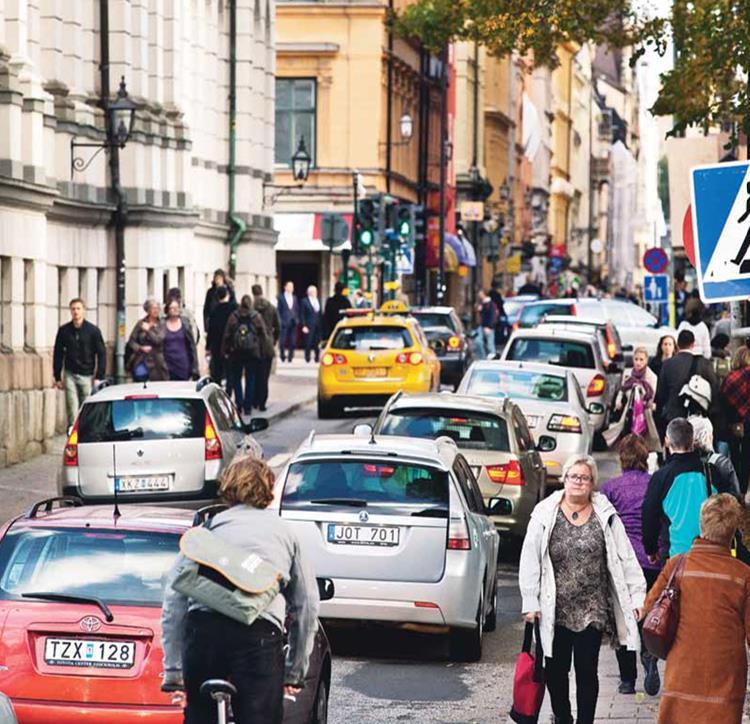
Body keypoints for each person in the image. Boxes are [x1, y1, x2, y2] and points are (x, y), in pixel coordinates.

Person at [160, 456, 319, 724]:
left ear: (228, 487)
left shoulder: (206, 531)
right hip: (258, 639)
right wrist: (295, 671)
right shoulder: (285, 534)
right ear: (267, 491)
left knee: (200, 716)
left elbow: (174, 600)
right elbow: (307, 606)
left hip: (204, 637)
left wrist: (174, 673)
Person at [519, 455, 646, 724]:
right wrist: (531, 601)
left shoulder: (606, 515)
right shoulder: (544, 514)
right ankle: (563, 717)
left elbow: (626, 558)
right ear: (564, 479)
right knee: (555, 670)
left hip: (592, 605)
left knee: (587, 669)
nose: (578, 482)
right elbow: (529, 558)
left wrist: (637, 596)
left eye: (584, 478)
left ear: (592, 484)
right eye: (574, 476)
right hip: (556, 605)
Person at [644, 494, 750, 724]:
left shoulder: (678, 565)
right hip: (726, 676)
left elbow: (648, 610)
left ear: (701, 525)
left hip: (682, 671)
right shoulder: (743, 575)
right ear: (733, 532)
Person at [600, 435, 662, 696]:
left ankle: (627, 680)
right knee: (647, 612)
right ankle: (648, 654)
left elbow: (602, 525)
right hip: (652, 559)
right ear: (645, 458)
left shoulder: (610, 489)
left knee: (623, 618)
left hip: (624, 562)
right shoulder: (655, 483)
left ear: (621, 459)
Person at [642, 418, 715, 562]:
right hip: (710, 555)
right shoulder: (712, 472)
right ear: (692, 440)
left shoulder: (661, 477)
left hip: (676, 557)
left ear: (667, 441)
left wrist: (651, 549)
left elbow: (649, 514)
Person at [53, 298, 107, 427]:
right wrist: (57, 375)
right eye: (73, 309)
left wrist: (99, 376)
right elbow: (58, 353)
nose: (76, 312)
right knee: (72, 407)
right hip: (70, 372)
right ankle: (73, 434)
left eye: (78, 309)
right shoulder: (64, 331)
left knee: (86, 407)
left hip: (87, 373)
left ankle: (85, 433)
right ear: (70, 311)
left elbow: (101, 353)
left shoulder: (93, 331)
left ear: (83, 311)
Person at [654, 329, 718, 435]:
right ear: (693, 344)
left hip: (673, 416)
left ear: (678, 344)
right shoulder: (704, 363)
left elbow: (661, 394)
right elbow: (714, 389)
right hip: (697, 415)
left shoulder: (667, 364)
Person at [222, 295, 268, 416]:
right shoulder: (256, 316)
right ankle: (248, 406)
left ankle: (239, 404)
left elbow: (227, 334)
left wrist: (225, 350)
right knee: (251, 378)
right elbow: (263, 334)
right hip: (252, 353)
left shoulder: (234, 316)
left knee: (236, 378)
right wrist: (263, 351)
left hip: (236, 353)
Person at [608, 347, 659, 450]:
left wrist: (643, 394)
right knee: (627, 436)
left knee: (643, 440)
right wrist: (619, 401)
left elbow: (652, 396)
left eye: (641, 360)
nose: (638, 362)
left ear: (646, 360)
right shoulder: (628, 374)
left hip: (644, 413)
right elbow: (622, 389)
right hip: (629, 411)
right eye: (636, 359)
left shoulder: (651, 376)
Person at [688, 415, 741, 500]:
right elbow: (735, 499)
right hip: (716, 511)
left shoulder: (679, 465)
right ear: (709, 437)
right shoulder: (722, 464)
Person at [720, 346, 750, 495]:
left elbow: (723, 400)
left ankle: (738, 492)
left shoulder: (731, 378)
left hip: (734, 424)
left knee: (736, 458)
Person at [252, 284, 280, 412]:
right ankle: (262, 402)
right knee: (264, 376)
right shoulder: (271, 308)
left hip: (253, 345)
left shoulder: (251, 308)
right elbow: (278, 326)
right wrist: (274, 340)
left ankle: (254, 401)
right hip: (267, 344)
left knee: (254, 375)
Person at [127, 298, 169, 381]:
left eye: (157, 308)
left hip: (158, 361)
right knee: (140, 377)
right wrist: (140, 348)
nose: (156, 311)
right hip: (142, 358)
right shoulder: (141, 323)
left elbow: (158, 340)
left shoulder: (162, 323)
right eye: (153, 308)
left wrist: (148, 330)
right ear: (148, 310)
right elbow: (131, 341)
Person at [206, 285, 237, 388]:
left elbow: (210, 329)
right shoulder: (233, 308)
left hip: (216, 344)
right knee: (230, 370)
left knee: (217, 370)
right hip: (230, 343)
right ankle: (229, 391)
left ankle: (218, 389)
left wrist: (208, 346)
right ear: (227, 294)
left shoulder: (214, 310)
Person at [161, 299, 199, 381]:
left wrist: (195, 368)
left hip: (183, 365)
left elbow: (192, 346)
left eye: (177, 307)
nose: (175, 310)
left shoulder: (185, 323)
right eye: (172, 308)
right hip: (167, 366)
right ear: (167, 310)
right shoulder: (162, 324)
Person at [203, 269, 236, 333]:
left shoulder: (229, 291)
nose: (218, 281)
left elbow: (234, 306)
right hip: (214, 322)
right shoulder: (211, 292)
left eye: (219, 278)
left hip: (226, 322)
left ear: (223, 279)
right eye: (216, 278)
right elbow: (206, 309)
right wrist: (206, 326)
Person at [277, 281, 300, 363]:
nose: (291, 288)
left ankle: (290, 356)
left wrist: (297, 319)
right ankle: (282, 355)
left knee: (293, 341)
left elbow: (297, 309)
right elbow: (278, 310)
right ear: (285, 287)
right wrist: (279, 320)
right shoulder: (281, 297)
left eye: (292, 287)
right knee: (282, 341)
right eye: (289, 286)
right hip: (284, 321)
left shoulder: (294, 298)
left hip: (293, 322)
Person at [301, 285, 322, 363]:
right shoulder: (304, 301)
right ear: (309, 292)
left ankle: (317, 357)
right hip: (309, 325)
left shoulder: (318, 300)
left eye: (315, 291)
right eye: (313, 291)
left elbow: (320, 313)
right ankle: (307, 357)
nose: (315, 293)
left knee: (317, 342)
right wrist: (304, 325)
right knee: (308, 342)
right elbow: (302, 314)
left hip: (318, 325)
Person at [476, 290, 498, 359]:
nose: (479, 296)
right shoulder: (481, 304)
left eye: (480, 294)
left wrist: (489, 327)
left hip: (488, 327)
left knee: (490, 344)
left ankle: (493, 359)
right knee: (478, 341)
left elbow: (493, 316)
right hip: (482, 326)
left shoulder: (491, 304)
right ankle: (482, 358)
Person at [489, 282, 507, 347]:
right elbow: (500, 304)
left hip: (491, 314)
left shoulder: (489, 294)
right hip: (497, 314)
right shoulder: (497, 294)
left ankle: (496, 340)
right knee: (499, 328)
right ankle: (499, 340)